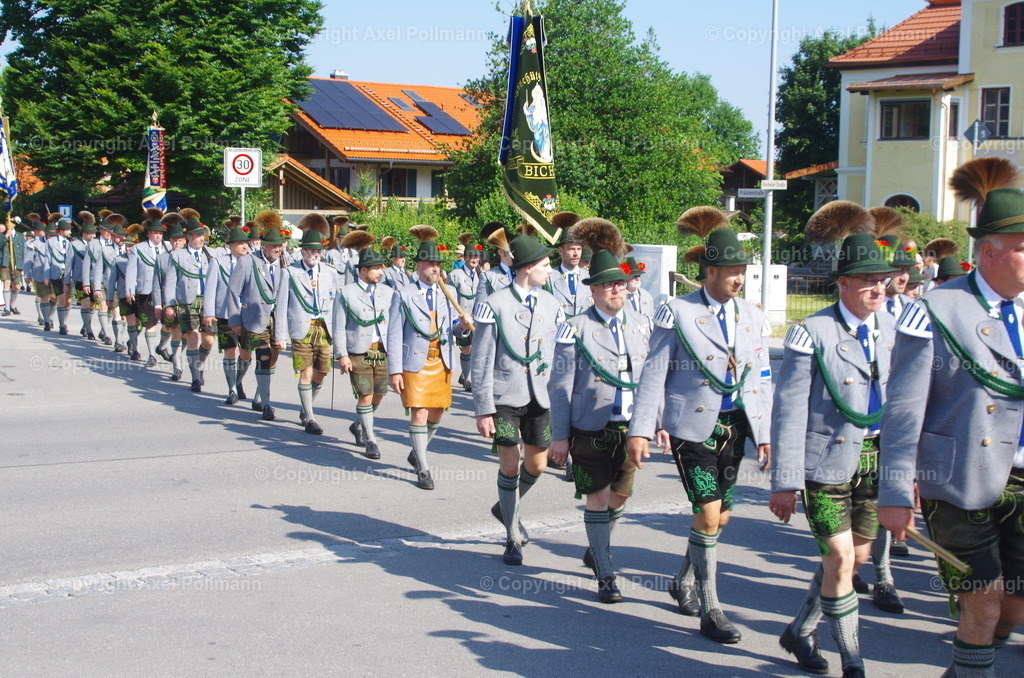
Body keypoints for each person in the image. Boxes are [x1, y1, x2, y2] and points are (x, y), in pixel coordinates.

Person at [879, 157, 1024, 678]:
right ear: (989, 252)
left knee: (1013, 606)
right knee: (982, 605)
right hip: (959, 479)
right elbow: (902, 409)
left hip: (1022, 478)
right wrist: (896, 492)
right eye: (1023, 246)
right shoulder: (935, 308)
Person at [628, 206, 773, 645]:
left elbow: (762, 378)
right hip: (692, 427)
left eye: (742, 271)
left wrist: (765, 435)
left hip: (736, 427)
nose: (738, 279)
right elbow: (654, 372)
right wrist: (640, 428)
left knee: (719, 518)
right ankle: (712, 609)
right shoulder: (677, 311)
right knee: (708, 514)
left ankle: (681, 580)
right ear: (709, 271)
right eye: (731, 271)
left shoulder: (752, 315)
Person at [770, 201, 902, 678]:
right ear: (842, 282)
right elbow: (789, 412)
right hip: (825, 463)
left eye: (881, 280)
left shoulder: (894, 327)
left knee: (854, 557)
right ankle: (853, 660)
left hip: (875, 460)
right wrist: (784, 482)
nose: (877, 288)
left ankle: (800, 629)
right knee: (841, 557)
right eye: (866, 280)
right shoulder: (812, 332)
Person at [548, 219, 655, 602]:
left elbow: (650, 380)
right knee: (597, 496)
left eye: (620, 283)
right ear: (593, 290)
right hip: (590, 427)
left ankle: (596, 545)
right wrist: (558, 436)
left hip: (630, 428)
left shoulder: (643, 325)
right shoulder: (572, 328)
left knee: (620, 497)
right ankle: (606, 573)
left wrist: (654, 423)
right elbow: (559, 387)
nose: (616, 289)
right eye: (608, 284)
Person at [471, 229, 562, 565]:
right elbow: (480, 361)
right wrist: (483, 409)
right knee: (510, 462)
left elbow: (560, 357)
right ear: (526, 268)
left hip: (540, 397)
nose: (550, 270)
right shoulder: (493, 305)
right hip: (504, 397)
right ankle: (511, 536)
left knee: (537, 465)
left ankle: (504, 505)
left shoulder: (552, 304)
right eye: (545, 264)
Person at [388, 225, 472, 490]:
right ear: (418, 265)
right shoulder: (403, 294)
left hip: (442, 360)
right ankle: (423, 468)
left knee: (438, 411)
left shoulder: (448, 293)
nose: (435, 268)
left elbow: (453, 330)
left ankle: (418, 449)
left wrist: (465, 326)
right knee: (420, 411)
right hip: (415, 361)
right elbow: (392, 334)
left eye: (437, 264)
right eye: (430, 264)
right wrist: (394, 371)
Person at [275, 215, 340, 435]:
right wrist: (280, 335)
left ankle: (306, 406)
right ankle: (310, 418)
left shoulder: (330, 272)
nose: (316, 255)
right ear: (302, 252)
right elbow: (281, 306)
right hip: (301, 327)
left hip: (324, 327)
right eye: (312, 251)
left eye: (319, 251)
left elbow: (337, 304)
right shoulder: (290, 273)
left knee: (320, 373)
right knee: (305, 371)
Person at [224, 210, 289, 421]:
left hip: (275, 318)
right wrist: (234, 320)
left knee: (273, 356)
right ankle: (266, 404)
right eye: (273, 246)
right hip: (253, 317)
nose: (277, 249)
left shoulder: (284, 264)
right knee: (260, 355)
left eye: (280, 245)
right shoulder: (247, 262)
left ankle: (259, 396)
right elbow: (232, 291)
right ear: (263, 245)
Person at [336, 242, 394, 459]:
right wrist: (342, 354)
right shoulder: (346, 292)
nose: (380, 271)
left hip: (382, 351)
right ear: (363, 270)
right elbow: (339, 326)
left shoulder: (387, 292)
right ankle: (371, 439)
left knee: (379, 394)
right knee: (366, 394)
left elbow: (394, 325)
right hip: (358, 352)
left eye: (381, 267)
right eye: (376, 268)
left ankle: (357, 424)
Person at [163, 213, 215, 392]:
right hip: (187, 301)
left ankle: (198, 366)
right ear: (189, 237)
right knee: (192, 337)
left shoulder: (211, 254)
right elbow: (170, 280)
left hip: (208, 301)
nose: (201, 238)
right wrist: (169, 304)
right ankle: (194, 377)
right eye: (198, 235)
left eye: (203, 235)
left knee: (208, 340)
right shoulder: (177, 256)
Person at [202, 226, 252, 404]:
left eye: (246, 244)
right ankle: (231, 388)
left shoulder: (252, 262)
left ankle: (238, 381)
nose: (245, 247)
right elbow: (210, 288)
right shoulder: (218, 262)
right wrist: (208, 312)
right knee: (230, 350)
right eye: (240, 244)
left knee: (246, 353)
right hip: (225, 314)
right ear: (230, 246)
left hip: (247, 314)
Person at [125, 213, 169, 364]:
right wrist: (130, 291)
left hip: (164, 291)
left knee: (168, 323)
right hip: (146, 290)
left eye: (160, 233)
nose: (158, 235)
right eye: (155, 233)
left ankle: (162, 346)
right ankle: (151, 355)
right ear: (149, 233)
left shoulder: (168, 247)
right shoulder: (139, 249)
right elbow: (131, 271)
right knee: (149, 323)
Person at [448, 232, 483, 391]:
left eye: (476, 257)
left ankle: (465, 375)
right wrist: (455, 319)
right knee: (466, 348)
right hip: (461, 318)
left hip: (477, 318)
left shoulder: (481, 275)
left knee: (476, 350)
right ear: (465, 258)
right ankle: (467, 379)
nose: (474, 259)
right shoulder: (455, 275)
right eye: (471, 257)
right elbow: (449, 298)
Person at [547, 212, 590, 317]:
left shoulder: (589, 277)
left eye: (579, 249)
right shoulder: (549, 278)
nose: (576, 253)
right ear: (561, 251)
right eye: (571, 249)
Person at [475, 222, 516, 304]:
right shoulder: (488, 278)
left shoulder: (524, 273)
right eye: (513, 250)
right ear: (501, 252)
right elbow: (480, 310)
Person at [0, 217, 26, 316]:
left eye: (11, 222)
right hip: (5, 263)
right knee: (6, 283)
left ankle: (12, 305)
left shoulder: (19, 236)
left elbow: (23, 251)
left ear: (15, 224)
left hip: (16, 264)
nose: (9, 224)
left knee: (16, 286)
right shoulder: (2, 235)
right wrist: (6, 236)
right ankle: (7, 308)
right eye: (7, 222)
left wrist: (23, 265)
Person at [623, 254, 654, 324]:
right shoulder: (618, 296)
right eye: (634, 276)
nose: (638, 278)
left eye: (639, 275)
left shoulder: (647, 296)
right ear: (625, 278)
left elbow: (651, 319)